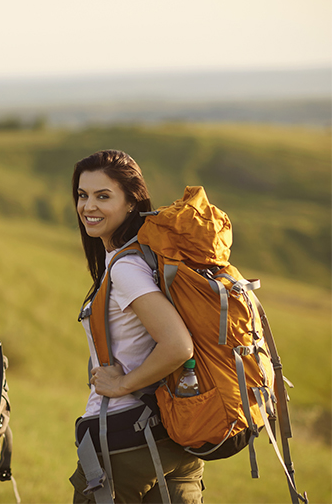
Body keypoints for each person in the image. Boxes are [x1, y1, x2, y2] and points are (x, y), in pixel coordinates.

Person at [69, 150, 204, 503]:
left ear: (131, 203)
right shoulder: (146, 259)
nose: (88, 206)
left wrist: (124, 383)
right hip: (175, 440)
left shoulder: (127, 270)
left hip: (125, 440)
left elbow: (178, 345)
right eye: (83, 195)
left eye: (103, 196)